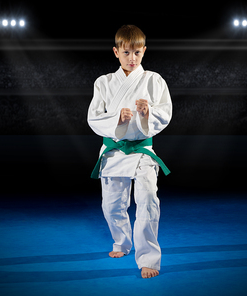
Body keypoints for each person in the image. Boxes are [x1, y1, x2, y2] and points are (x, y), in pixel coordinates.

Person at [87, 25, 172, 278]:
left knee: (147, 200)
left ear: (144, 51)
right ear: (116, 52)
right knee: (112, 205)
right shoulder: (104, 82)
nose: (132, 58)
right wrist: (117, 119)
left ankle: (148, 258)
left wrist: (149, 114)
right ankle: (121, 243)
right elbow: (93, 118)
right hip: (113, 151)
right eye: (126, 52)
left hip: (142, 150)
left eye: (137, 52)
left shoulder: (154, 80)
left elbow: (165, 113)